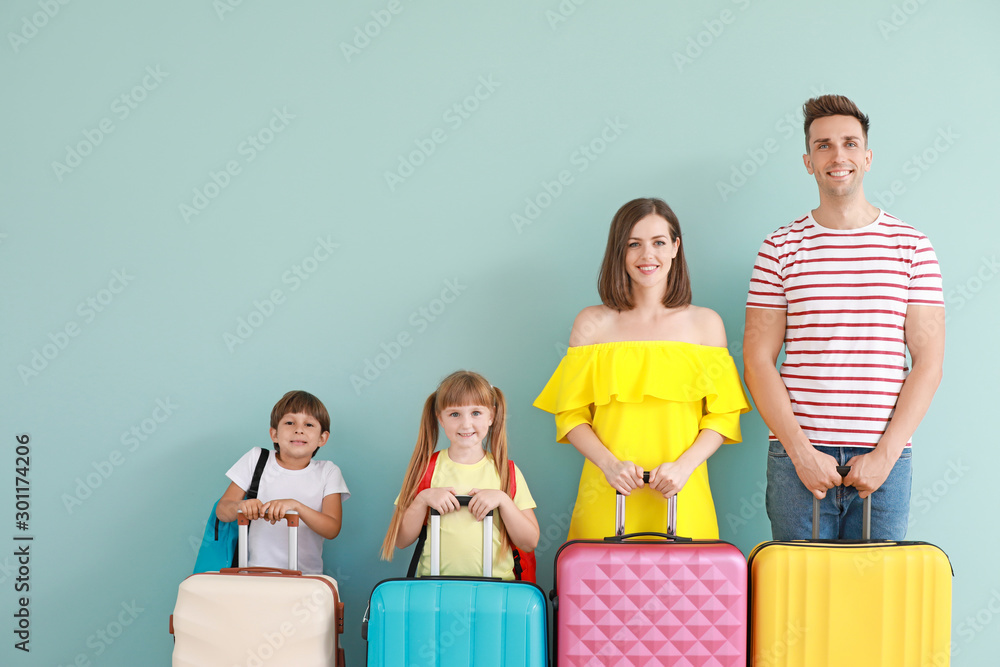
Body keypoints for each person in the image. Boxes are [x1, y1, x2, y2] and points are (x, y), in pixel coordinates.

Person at [743, 94, 945, 541]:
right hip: (797, 462)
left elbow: (928, 363)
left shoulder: (912, 247)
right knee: (797, 603)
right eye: (824, 146)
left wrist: (885, 456)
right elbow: (757, 360)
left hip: (885, 462)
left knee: (875, 604)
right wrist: (801, 453)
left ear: (867, 157)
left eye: (850, 144)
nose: (839, 156)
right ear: (808, 161)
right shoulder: (779, 248)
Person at [534, 198, 751, 540]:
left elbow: (723, 417)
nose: (647, 255)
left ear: (676, 248)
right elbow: (571, 415)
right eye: (634, 244)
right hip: (605, 493)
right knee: (595, 591)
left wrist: (684, 467)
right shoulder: (591, 323)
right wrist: (609, 466)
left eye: (659, 243)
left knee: (687, 592)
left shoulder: (706, 325)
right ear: (619, 252)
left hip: (684, 492)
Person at [380, 371, 539, 580]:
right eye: (455, 414)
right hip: (435, 589)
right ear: (441, 419)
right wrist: (422, 499)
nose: (466, 424)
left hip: (497, 591)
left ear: (491, 415)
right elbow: (400, 540)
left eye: (476, 413)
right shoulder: (425, 469)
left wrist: (503, 500)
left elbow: (529, 542)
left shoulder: (506, 472)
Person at [216, 390, 350, 574]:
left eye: (309, 424)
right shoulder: (256, 459)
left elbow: (332, 528)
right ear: (274, 434)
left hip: (306, 579)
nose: (299, 429)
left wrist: (296, 507)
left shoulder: (328, 472)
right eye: (289, 422)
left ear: (322, 438)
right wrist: (242, 505)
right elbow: (223, 510)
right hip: (253, 576)